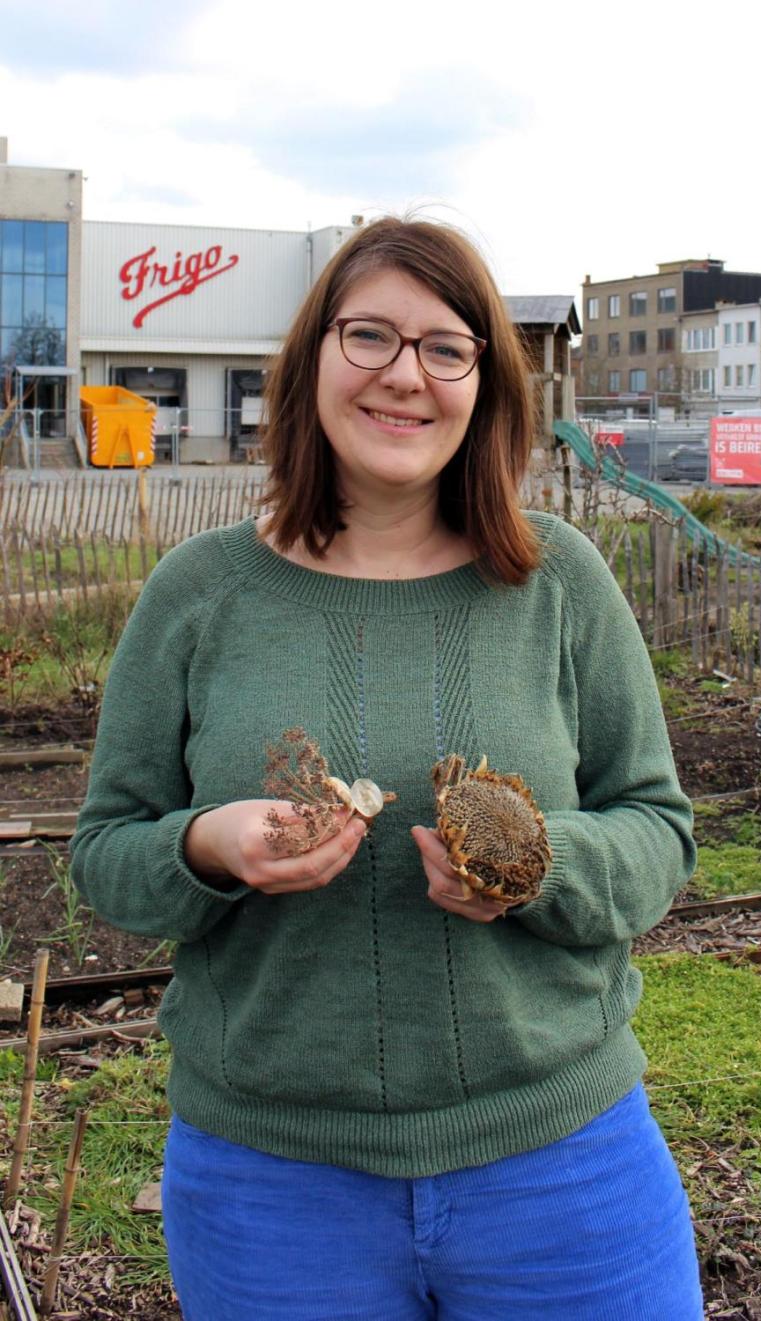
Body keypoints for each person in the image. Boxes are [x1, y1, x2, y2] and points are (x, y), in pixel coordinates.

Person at [71, 217, 703, 1320]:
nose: (405, 376)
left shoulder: (560, 584)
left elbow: (658, 829)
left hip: (561, 1166)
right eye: (369, 336)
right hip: (270, 1186)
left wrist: (534, 865)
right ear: (312, 357)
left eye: (445, 347)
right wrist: (207, 847)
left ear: (486, 382)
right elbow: (107, 855)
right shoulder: (198, 594)